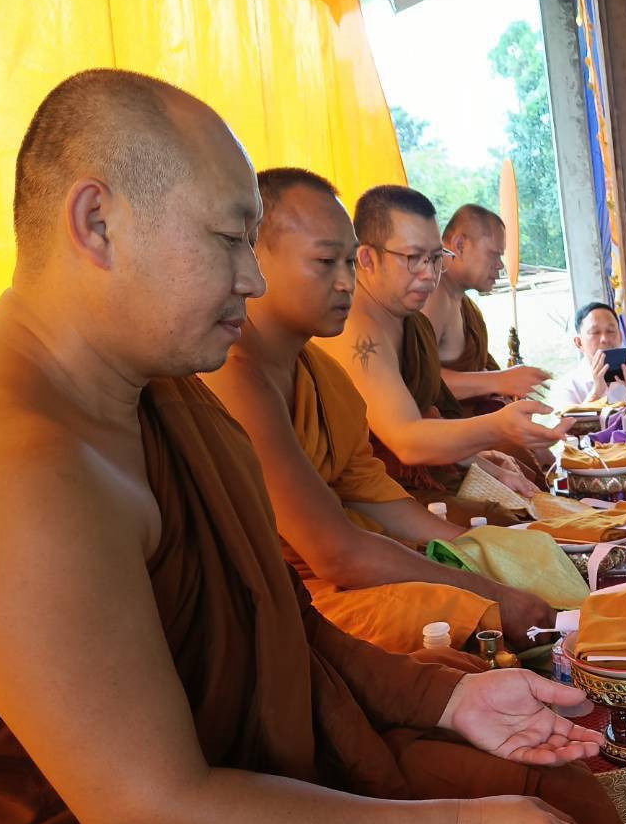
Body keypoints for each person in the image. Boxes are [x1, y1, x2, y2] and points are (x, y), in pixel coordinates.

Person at [0, 70, 626, 824]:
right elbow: (147, 814)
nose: (250, 279)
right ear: (97, 222)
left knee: (552, 799)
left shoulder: (161, 397)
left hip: (211, 778)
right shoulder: (7, 456)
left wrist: (448, 701)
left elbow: (273, 619)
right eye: (230, 240)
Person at [200, 167, 556, 653]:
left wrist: (479, 557)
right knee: (465, 618)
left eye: (350, 262)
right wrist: (492, 593)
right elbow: (336, 553)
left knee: (499, 561)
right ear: (252, 258)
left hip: (337, 575)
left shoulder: (323, 376)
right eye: (326, 261)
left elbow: (377, 498)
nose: (346, 281)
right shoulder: (234, 373)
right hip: (276, 604)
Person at [321, 185, 570, 518]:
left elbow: (429, 417)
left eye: (436, 258)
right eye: (413, 258)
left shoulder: (409, 321)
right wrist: (498, 427)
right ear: (367, 258)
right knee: (508, 524)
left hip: (427, 476)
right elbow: (406, 440)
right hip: (376, 499)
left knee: (525, 500)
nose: (429, 274)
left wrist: (491, 470)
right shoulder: (357, 328)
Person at [423, 203, 549, 418]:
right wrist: (499, 381)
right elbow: (421, 382)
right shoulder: (433, 295)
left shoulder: (461, 301)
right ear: (460, 245)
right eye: (494, 254)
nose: (500, 265)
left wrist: (505, 384)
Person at [547, 300, 626, 411]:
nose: (604, 339)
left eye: (611, 331)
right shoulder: (565, 387)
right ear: (579, 343)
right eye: (595, 332)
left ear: (621, 337)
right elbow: (567, 421)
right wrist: (596, 392)